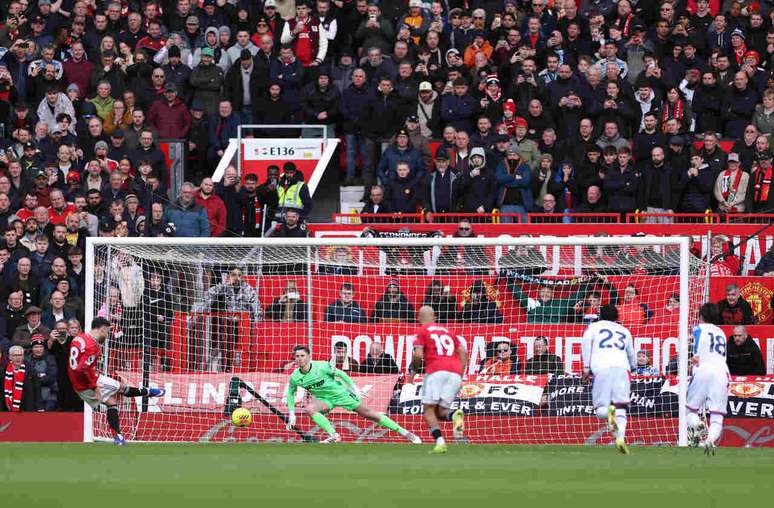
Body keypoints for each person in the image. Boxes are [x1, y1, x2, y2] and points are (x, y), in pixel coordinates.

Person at [285, 345, 421, 444]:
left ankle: (406, 433)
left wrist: (354, 388)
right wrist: (291, 413)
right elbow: (291, 393)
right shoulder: (295, 377)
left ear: (309, 356)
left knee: (370, 414)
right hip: (324, 399)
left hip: (341, 394)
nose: (300, 359)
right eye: (297, 356)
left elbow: (341, 374)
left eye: (302, 355)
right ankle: (334, 435)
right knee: (310, 409)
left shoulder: (321, 366)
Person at [68, 317, 165, 445]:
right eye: (107, 332)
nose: (107, 335)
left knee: (111, 402)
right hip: (87, 382)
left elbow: (77, 364)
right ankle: (148, 392)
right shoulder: (93, 346)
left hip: (78, 381)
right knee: (121, 387)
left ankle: (118, 437)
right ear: (102, 329)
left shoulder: (79, 338)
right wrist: (94, 387)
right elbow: (82, 368)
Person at [411, 306, 467, 454]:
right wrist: (460, 376)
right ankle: (455, 415)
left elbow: (418, 355)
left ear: (418, 318)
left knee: (428, 410)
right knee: (440, 412)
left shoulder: (422, 330)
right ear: (435, 317)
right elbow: (463, 352)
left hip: (436, 370)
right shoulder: (449, 331)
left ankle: (440, 442)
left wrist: (413, 371)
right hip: (455, 372)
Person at [581, 305, 636, 455]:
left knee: (600, 410)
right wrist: (633, 367)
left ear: (600, 315)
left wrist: (586, 366)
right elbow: (631, 354)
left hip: (602, 368)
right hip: (623, 368)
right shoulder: (624, 330)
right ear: (617, 317)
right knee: (621, 407)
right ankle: (620, 438)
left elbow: (586, 343)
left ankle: (609, 413)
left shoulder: (594, 327)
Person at [686, 303, 729, 455]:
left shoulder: (698, 328)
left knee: (689, 410)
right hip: (722, 373)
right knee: (717, 415)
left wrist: (695, 356)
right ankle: (710, 440)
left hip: (703, 370)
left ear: (701, 316)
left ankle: (698, 425)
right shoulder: (721, 332)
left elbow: (697, 344)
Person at [202, 268, 262, 372]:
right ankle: (226, 368)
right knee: (226, 346)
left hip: (244, 323)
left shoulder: (247, 288)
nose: (237, 278)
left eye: (239, 275)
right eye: (234, 275)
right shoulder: (226, 287)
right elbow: (208, 294)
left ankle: (243, 370)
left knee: (243, 348)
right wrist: (224, 285)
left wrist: (255, 323)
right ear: (229, 276)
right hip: (229, 322)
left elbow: (256, 306)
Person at [26, 333, 57, 411]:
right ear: (32, 348)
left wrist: (35, 378)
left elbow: (51, 377)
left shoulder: (50, 359)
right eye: (36, 347)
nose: (38, 349)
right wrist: (41, 376)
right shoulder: (27, 360)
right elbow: (26, 378)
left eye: (41, 347)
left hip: (49, 396)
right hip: (31, 395)